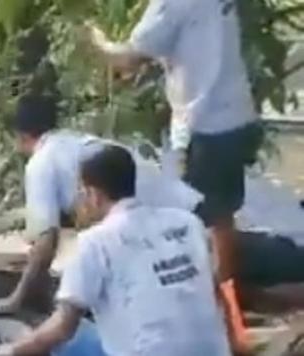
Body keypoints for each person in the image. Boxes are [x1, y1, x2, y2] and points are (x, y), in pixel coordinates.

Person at [79, 0, 263, 352]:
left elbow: (128, 58)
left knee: (200, 225)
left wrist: (96, 41)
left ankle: (225, 330)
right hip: (236, 114)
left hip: (206, 124)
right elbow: (179, 47)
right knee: (221, 221)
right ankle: (233, 326)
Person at [0, 95, 202, 318]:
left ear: (20, 136)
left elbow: (45, 242)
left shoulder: (41, 163)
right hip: (188, 218)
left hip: (167, 233)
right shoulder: (74, 143)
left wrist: (16, 299)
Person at [0, 145, 231, 356]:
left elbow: (62, 327)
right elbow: (214, 293)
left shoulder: (95, 242)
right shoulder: (187, 222)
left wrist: (13, 350)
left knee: (64, 341)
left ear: (93, 195)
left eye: (81, 192)